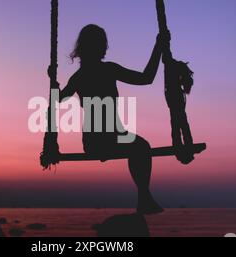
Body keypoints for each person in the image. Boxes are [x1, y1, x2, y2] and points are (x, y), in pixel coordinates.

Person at [49, 24, 170, 215]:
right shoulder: (108, 70)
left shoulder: (78, 77)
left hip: (93, 141)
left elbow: (57, 101)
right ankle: (144, 198)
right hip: (107, 138)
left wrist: (54, 86)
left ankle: (144, 198)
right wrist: (159, 48)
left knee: (139, 146)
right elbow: (146, 78)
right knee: (141, 147)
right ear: (100, 47)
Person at [161, 39, 195, 165]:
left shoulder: (171, 64)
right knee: (180, 120)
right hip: (175, 96)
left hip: (174, 96)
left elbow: (166, 54)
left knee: (177, 121)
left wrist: (165, 41)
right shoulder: (172, 65)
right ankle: (183, 144)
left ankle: (181, 144)